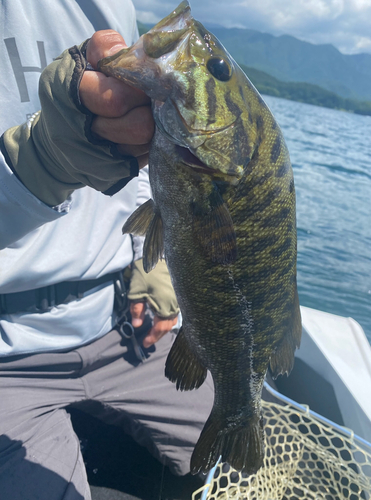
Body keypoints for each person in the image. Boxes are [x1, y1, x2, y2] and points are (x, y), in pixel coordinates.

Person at [0, 1, 214, 499]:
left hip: (124, 322)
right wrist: (40, 161)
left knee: (238, 450)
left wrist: (149, 261)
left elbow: (145, 156)